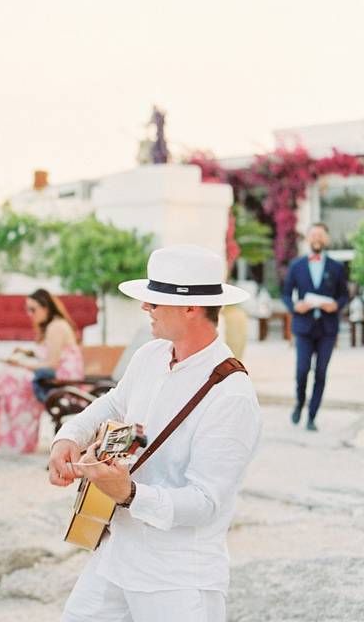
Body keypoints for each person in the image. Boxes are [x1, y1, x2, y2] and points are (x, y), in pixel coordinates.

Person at [48, 245, 261, 622]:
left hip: (179, 579)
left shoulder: (232, 396)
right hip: (116, 557)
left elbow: (205, 502)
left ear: (191, 309)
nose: (146, 308)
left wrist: (128, 493)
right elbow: (114, 403)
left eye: (155, 301)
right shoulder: (150, 355)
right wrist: (69, 435)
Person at [0, 288, 84, 453]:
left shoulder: (55, 327)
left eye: (33, 309)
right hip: (54, 376)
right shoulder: (53, 325)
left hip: (61, 380)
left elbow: (52, 364)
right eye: (28, 309)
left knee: (9, 379)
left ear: (45, 307)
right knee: (7, 376)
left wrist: (20, 364)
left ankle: (15, 440)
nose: (29, 313)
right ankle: (11, 438)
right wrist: (27, 354)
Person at [281, 222, 349, 431]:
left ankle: (312, 415)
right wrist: (295, 307)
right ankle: (299, 403)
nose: (317, 238)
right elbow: (285, 294)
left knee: (321, 373)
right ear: (308, 239)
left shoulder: (337, 267)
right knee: (302, 371)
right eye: (313, 235)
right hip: (304, 328)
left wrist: (336, 305)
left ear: (326, 239)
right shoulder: (296, 265)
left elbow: (344, 294)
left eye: (321, 235)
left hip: (327, 329)